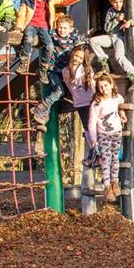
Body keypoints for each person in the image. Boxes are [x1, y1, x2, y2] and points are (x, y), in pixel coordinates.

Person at [13, 0, 77, 83]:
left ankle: (43, 69)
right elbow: (22, 14)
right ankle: (23, 63)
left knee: (50, 46)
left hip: (44, 26)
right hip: (31, 25)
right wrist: (18, 27)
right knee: (28, 39)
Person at [32, 15, 88, 127]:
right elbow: (42, 34)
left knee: (68, 92)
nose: (62, 30)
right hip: (54, 71)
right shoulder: (53, 35)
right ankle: (42, 109)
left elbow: (85, 41)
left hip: (67, 71)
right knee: (59, 91)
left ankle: (42, 114)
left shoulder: (75, 37)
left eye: (65, 28)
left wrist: (87, 39)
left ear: (71, 29)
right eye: (60, 28)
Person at [89, 0, 134, 91]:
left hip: (120, 38)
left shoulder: (129, 9)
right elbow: (106, 28)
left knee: (118, 56)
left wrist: (130, 22)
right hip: (111, 37)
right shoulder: (110, 11)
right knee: (93, 41)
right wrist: (116, 20)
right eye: (115, 2)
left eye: (120, 2)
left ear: (123, 1)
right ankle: (105, 64)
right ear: (111, 2)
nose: (118, 5)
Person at [87, 73, 126, 203]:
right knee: (106, 160)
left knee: (115, 158)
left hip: (116, 132)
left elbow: (121, 101)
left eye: (106, 85)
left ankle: (115, 182)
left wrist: (122, 112)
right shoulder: (97, 103)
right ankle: (107, 186)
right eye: (101, 87)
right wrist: (93, 141)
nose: (104, 89)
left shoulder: (116, 98)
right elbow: (91, 123)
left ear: (111, 85)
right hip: (103, 135)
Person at [62, 45, 96, 164]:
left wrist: (97, 98)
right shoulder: (66, 71)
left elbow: (92, 85)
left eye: (80, 58)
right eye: (76, 55)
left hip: (90, 100)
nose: (77, 59)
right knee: (87, 127)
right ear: (72, 54)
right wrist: (76, 98)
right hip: (80, 102)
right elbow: (70, 88)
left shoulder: (86, 70)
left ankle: (95, 149)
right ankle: (93, 149)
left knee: (93, 126)